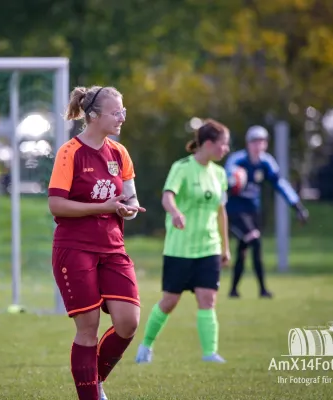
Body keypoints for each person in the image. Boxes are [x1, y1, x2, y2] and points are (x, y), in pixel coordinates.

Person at [48, 85, 146, 400]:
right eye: (116, 112)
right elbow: (56, 206)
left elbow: (129, 200)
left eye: (124, 112)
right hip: (75, 248)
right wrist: (102, 207)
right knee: (87, 328)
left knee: (128, 322)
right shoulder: (69, 152)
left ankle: (93, 380)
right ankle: (89, 394)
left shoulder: (120, 153)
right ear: (93, 115)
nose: (122, 118)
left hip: (113, 247)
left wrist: (127, 209)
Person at [134, 119, 231, 365]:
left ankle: (210, 353)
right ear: (208, 144)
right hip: (180, 248)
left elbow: (221, 213)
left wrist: (225, 247)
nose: (226, 150)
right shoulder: (182, 167)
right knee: (169, 301)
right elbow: (167, 197)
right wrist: (175, 213)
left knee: (207, 299)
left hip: (208, 247)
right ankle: (145, 346)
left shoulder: (220, 174)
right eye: (223, 145)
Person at [225, 125, 309, 299]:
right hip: (235, 211)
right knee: (254, 241)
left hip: (253, 211)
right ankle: (262, 289)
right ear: (248, 144)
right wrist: (232, 181)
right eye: (254, 141)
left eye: (261, 141)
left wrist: (297, 206)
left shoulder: (266, 162)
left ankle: (236, 290)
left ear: (266, 144)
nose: (258, 145)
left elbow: (280, 184)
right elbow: (226, 177)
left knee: (246, 249)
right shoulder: (237, 160)